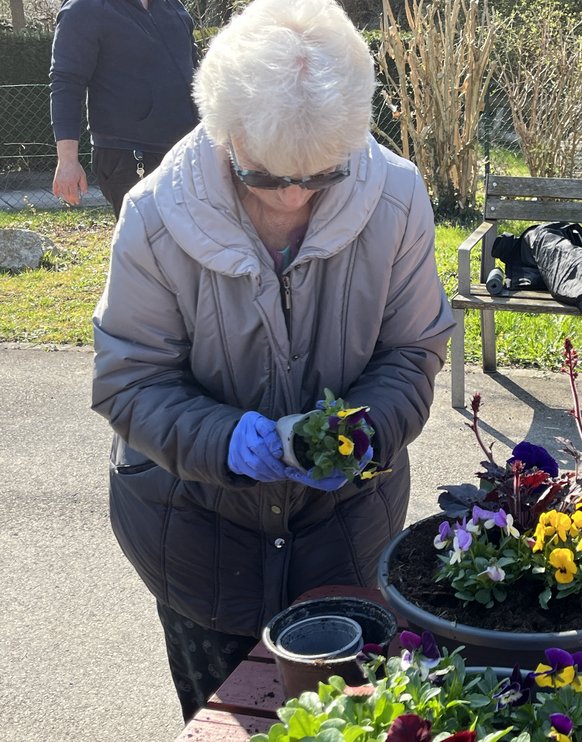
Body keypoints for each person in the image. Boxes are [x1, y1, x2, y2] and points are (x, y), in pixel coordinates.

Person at [90, 0, 454, 721]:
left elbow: (412, 349)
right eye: (264, 177)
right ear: (224, 131)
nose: (292, 197)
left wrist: (371, 430)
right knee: (228, 720)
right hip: (195, 536)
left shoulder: (397, 195)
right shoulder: (155, 214)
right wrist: (223, 440)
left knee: (353, 723)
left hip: (344, 533)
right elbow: (129, 381)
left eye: (320, 177)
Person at [49, 0, 198, 218]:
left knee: (194, 245)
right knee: (146, 247)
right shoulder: (85, 7)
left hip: (187, 150)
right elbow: (66, 84)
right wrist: (67, 161)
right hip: (129, 157)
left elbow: (196, 70)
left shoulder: (172, 5)